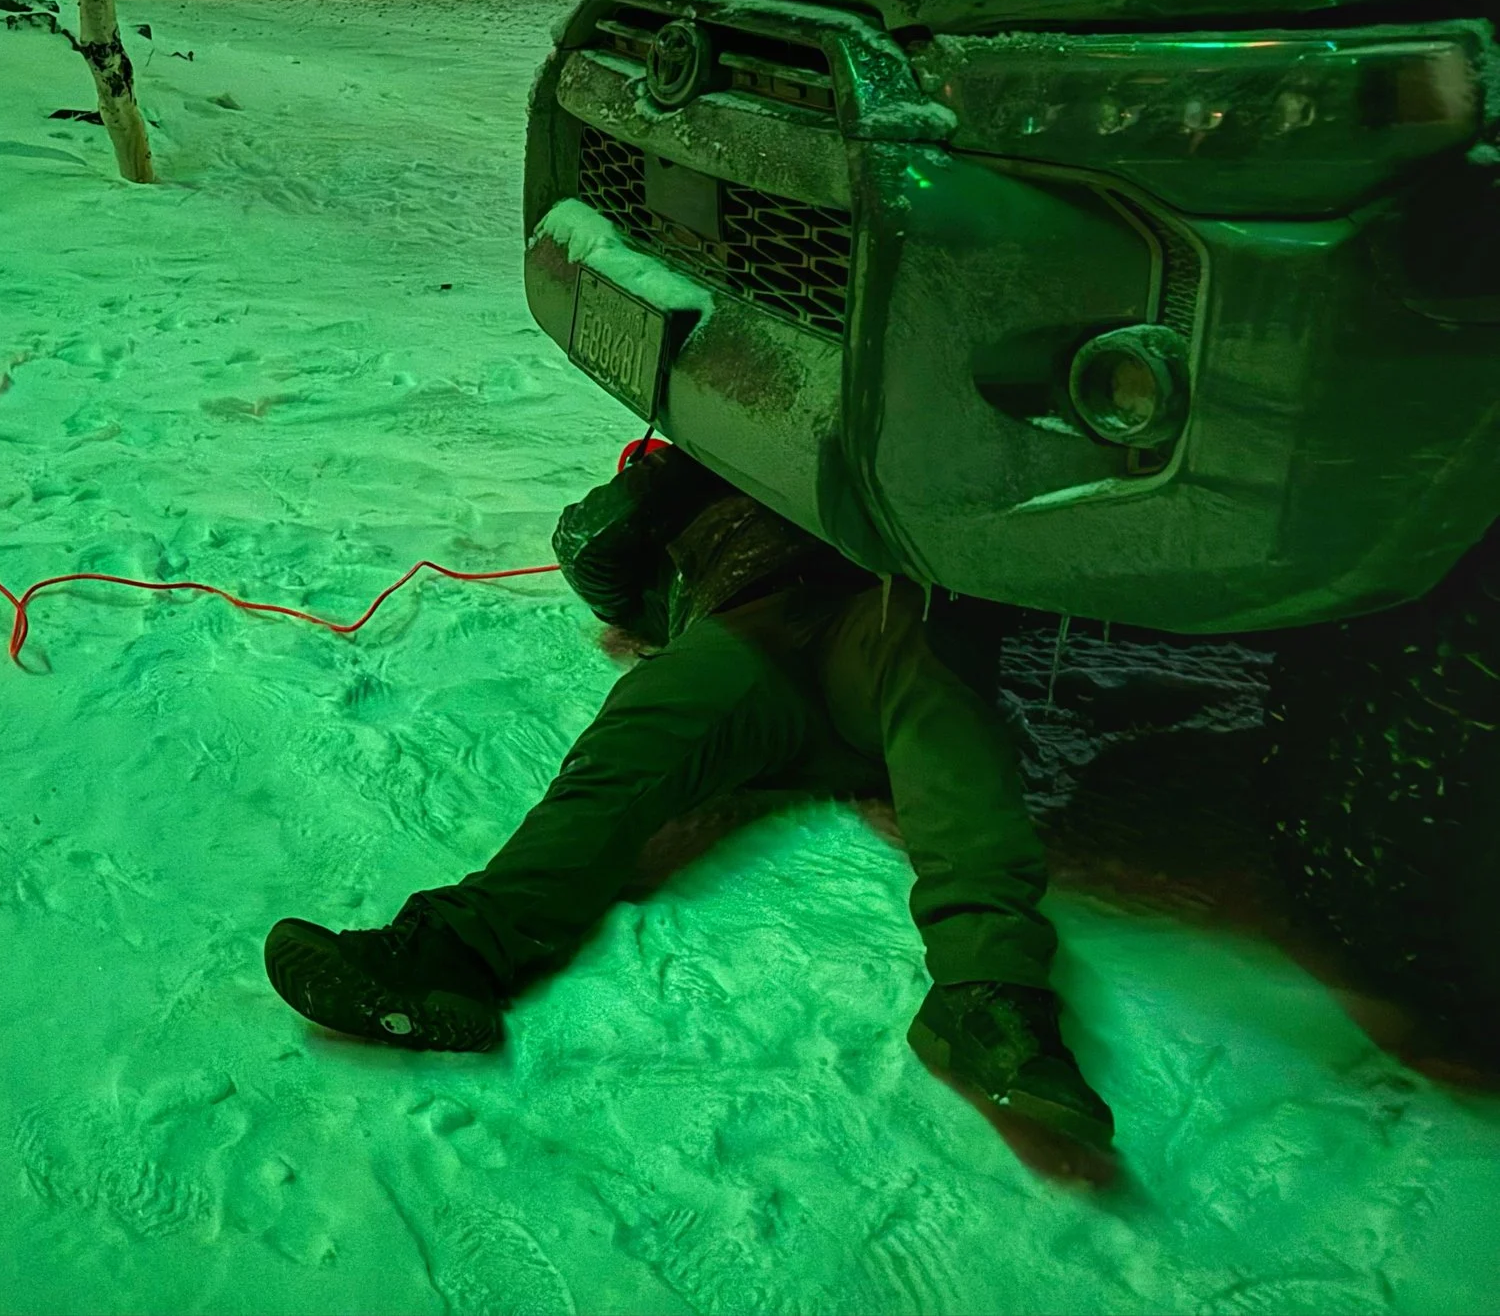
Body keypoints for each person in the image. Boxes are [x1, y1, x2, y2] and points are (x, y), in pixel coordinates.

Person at [263, 442, 1115, 1149]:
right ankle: (456, 951)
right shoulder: (698, 474)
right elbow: (590, 546)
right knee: (634, 739)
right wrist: (685, 459)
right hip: (750, 630)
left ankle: (989, 992)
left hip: (881, 613)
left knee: (932, 667)